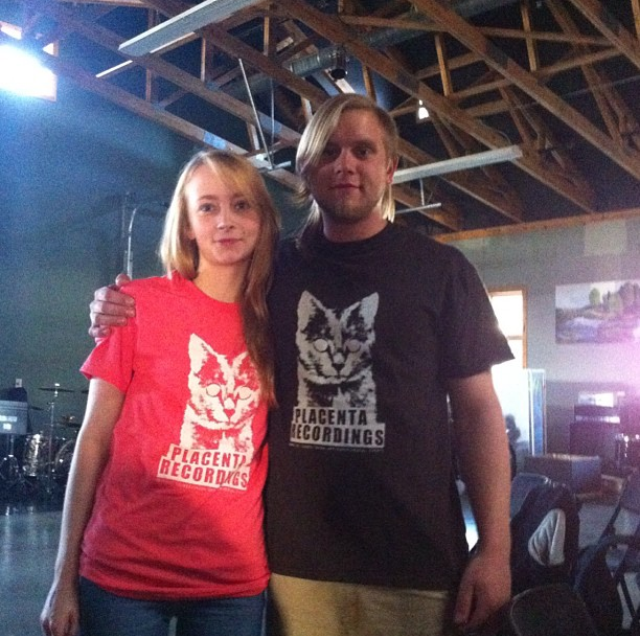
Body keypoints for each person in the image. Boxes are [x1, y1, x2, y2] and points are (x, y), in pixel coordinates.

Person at [89, 94, 513, 636]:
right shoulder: (269, 272)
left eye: (363, 151)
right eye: (329, 152)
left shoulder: (443, 271)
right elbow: (196, 301)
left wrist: (495, 548)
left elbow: (479, 413)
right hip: (295, 569)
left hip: (414, 564)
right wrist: (116, 305)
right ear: (306, 170)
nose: (346, 164)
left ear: (389, 168)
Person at [42, 149, 280, 636]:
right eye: (207, 207)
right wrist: (63, 577)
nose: (226, 221)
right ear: (187, 225)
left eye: (241, 205)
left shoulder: (277, 321)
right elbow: (92, 440)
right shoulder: (136, 306)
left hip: (230, 582)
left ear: (261, 218)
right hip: (122, 576)